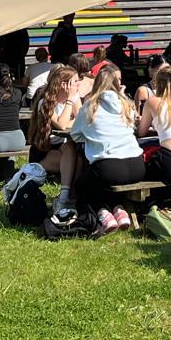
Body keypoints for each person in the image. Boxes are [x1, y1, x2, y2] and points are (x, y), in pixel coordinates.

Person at [57, 66, 138, 226]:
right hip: (136, 165)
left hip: (109, 166)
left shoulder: (90, 106)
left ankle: (102, 212)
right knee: (101, 179)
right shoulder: (126, 105)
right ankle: (119, 208)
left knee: (82, 184)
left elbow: (75, 135)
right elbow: (133, 126)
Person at [27, 65, 81, 173]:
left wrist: (69, 121)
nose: (78, 84)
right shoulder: (45, 102)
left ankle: (68, 189)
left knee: (76, 155)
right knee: (73, 160)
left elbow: (82, 120)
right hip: (45, 150)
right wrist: (70, 100)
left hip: (62, 146)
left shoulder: (75, 97)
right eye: (75, 81)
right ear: (64, 85)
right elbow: (62, 125)